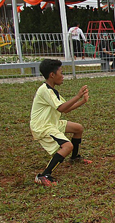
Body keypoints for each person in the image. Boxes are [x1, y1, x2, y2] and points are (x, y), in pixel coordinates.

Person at [30, 59, 90, 187]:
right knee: (67, 146)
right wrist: (78, 96)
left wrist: (83, 101)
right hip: (42, 126)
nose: (63, 76)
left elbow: (66, 109)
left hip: (52, 122)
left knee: (78, 128)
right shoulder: (45, 90)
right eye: (61, 73)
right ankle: (44, 175)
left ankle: (74, 158)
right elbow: (62, 108)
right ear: (52, 75)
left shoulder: (51, 90)